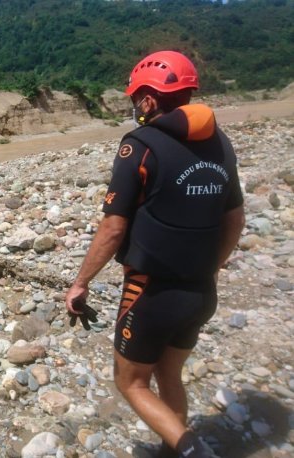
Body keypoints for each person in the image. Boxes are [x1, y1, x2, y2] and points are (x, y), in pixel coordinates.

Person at [64, 51, 245, 458]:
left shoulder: (140, 146)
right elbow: (235, 220)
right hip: (201, 292)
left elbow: (113, 227)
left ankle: (192, 450)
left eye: (135, 100)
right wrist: (209, 268)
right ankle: (173, 450)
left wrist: (80, 283)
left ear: (148, 100)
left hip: (151, 293)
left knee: (131, 383)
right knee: (169, 375)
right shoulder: (219, 141)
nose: (134, 107)